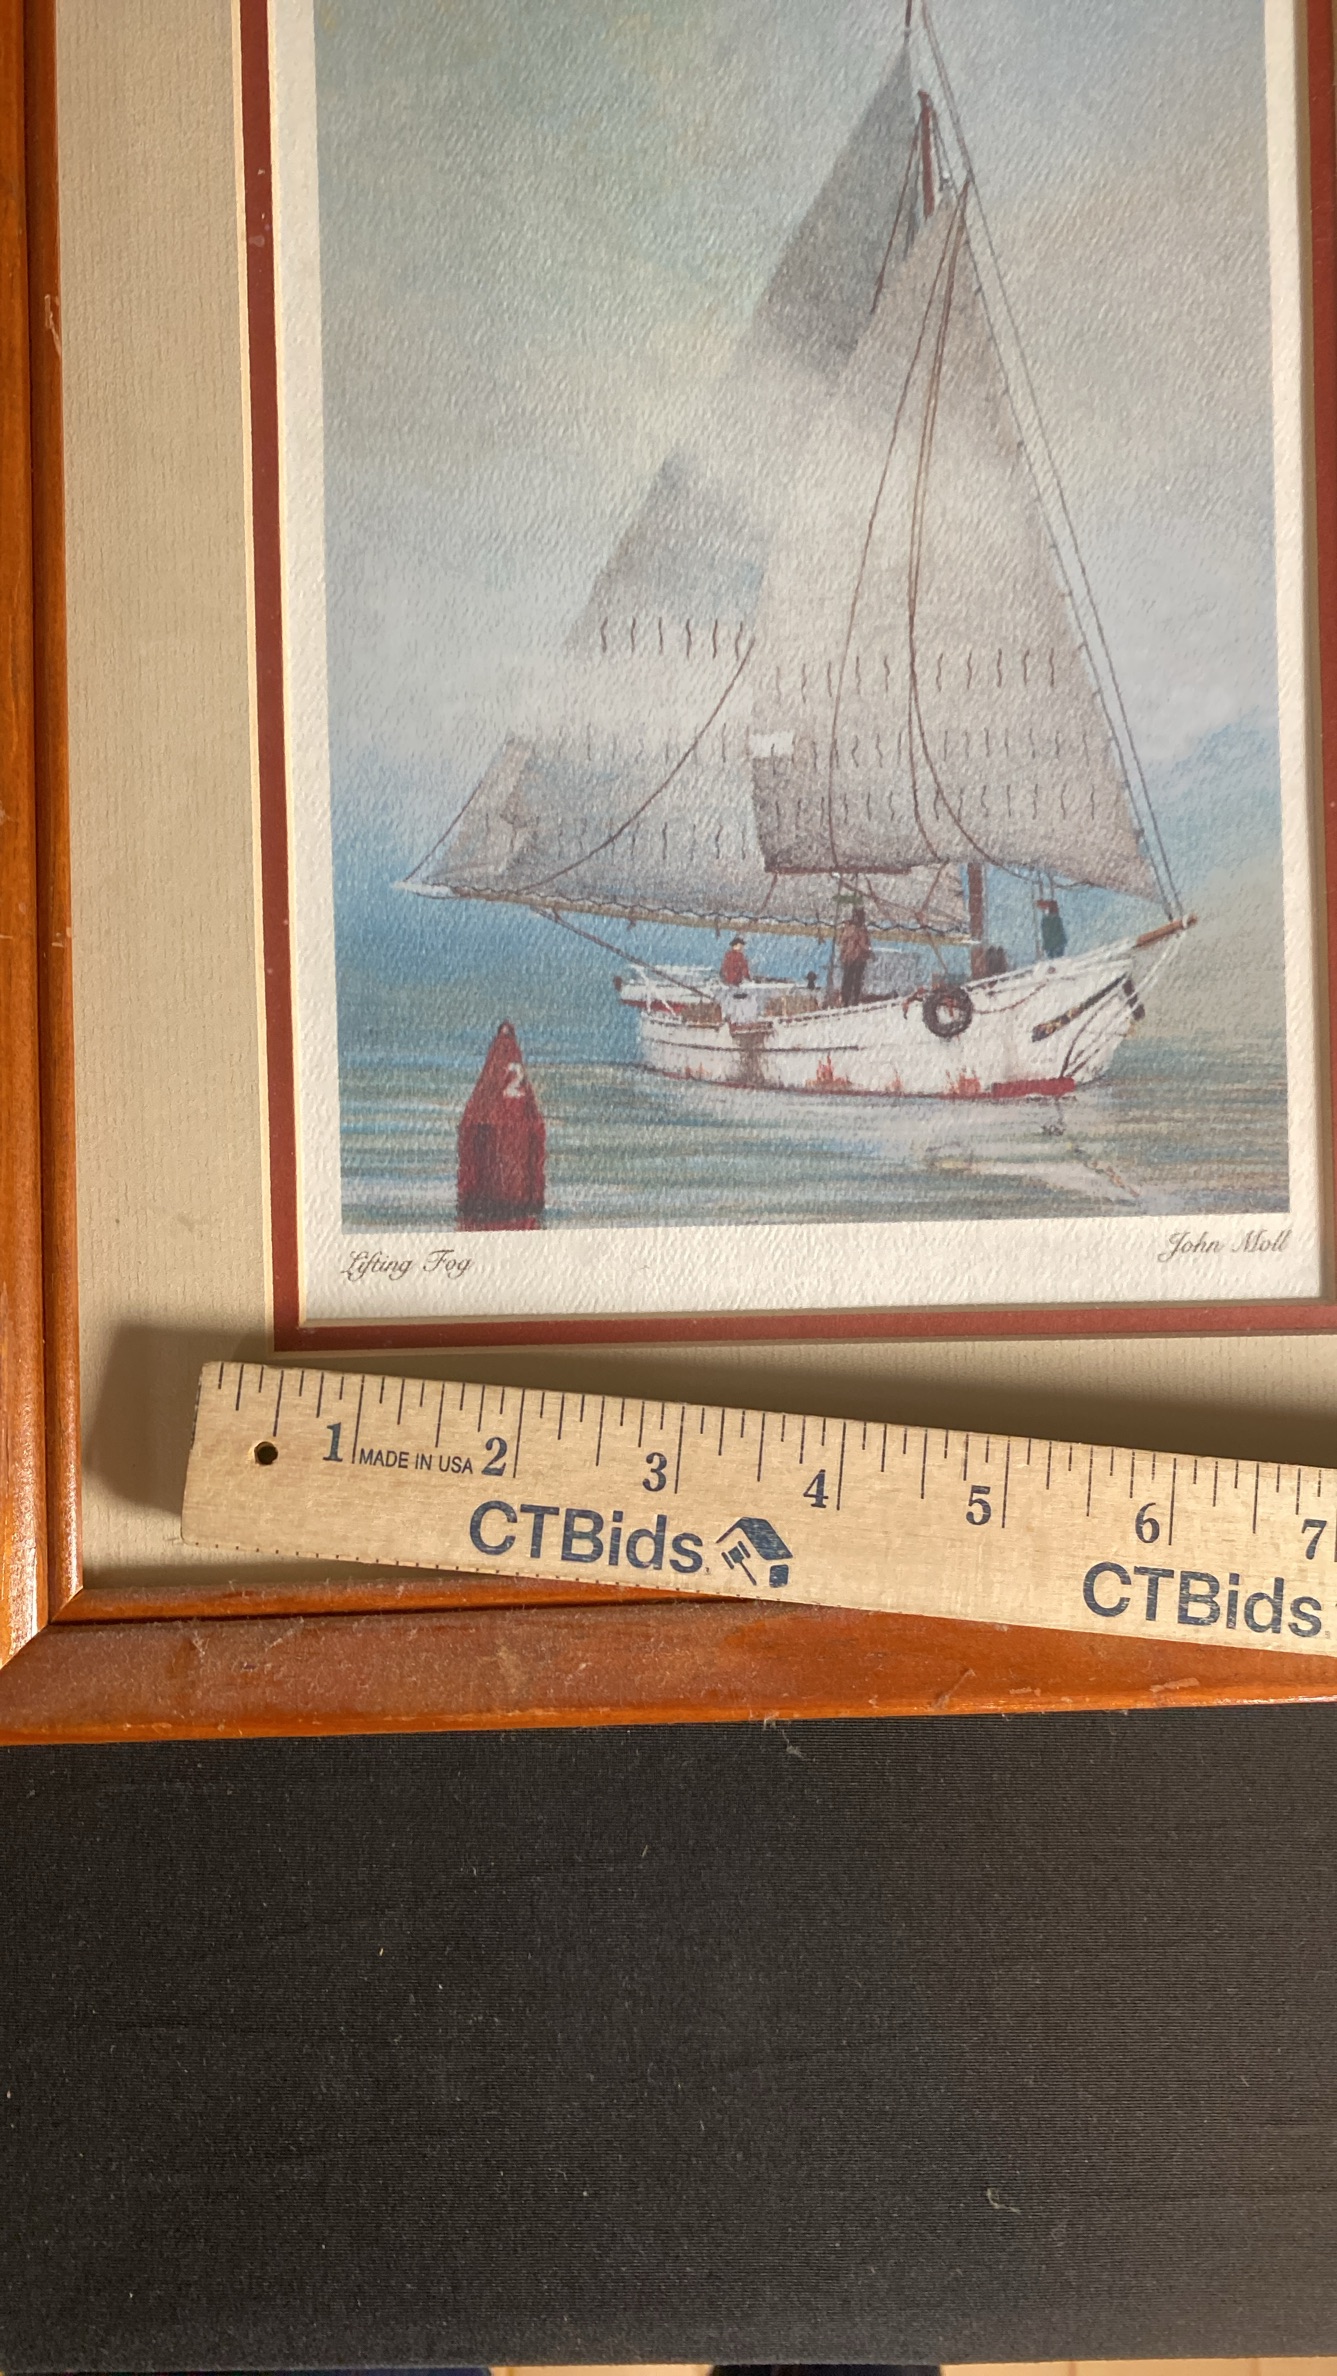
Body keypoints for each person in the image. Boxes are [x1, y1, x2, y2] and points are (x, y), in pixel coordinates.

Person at [837, 905, 872, 1007]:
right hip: (850, 958)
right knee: (848, 980)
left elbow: (866, 944)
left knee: (856, 981)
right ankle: (846, 1001)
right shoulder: (849, 929)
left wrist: (866, 950)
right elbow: (843, 942)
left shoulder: (863, 930)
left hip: (859, 959)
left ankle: (853, 1000)